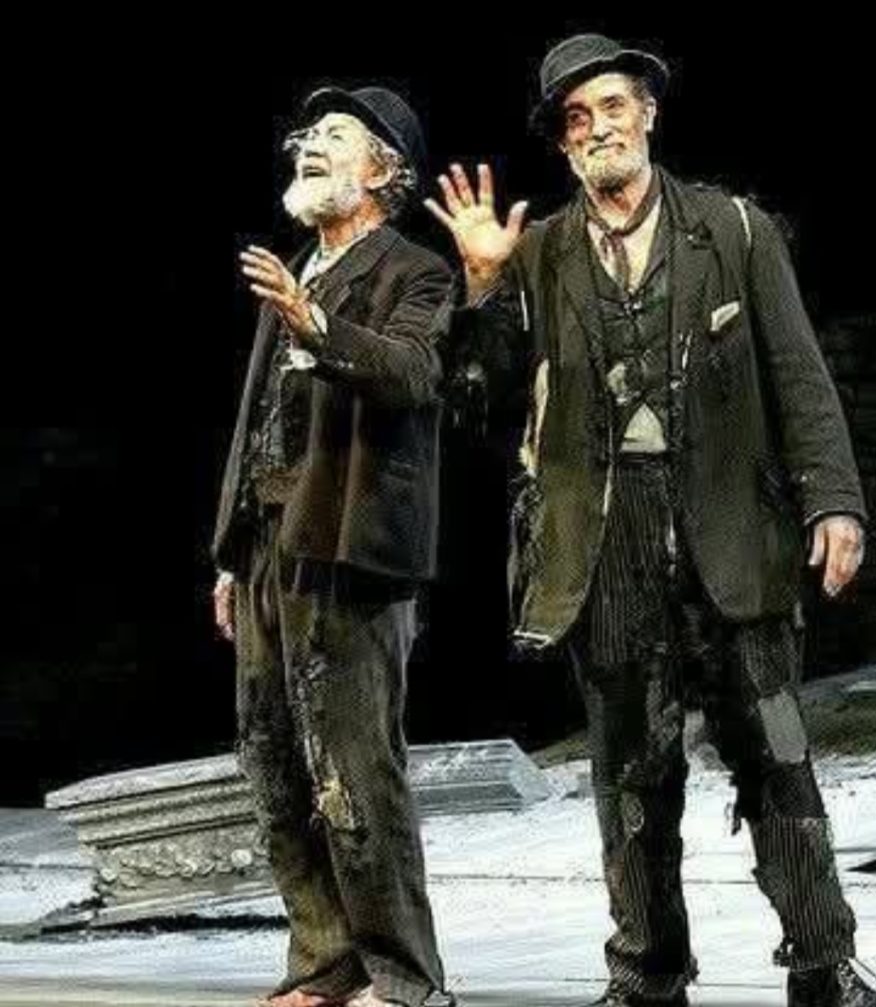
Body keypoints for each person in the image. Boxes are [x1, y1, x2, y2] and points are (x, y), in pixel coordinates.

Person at [427, 33, 876, 1007]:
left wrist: (834, 498)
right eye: (577, 118)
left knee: (777, 757)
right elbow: (477, 405)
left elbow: (797, 370)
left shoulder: (731, 227)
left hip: (731, 523)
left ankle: (823, 965)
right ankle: (646, 974)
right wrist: (481, 285)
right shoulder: (540, 254)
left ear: (648, 113)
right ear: (562, 143)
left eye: (613, 106)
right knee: (631, 777)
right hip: (607, 539)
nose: (599, 128)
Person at [212, 83, 454, 1007]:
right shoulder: (296, 267)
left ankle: (404, 976)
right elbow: (254, 421)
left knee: (355, 766)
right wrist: (229, 550)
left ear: (386, 171)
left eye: (338, 135)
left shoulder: (413, 271)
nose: (310, 144)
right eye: (308, 133)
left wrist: (316, 324)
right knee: (273, 759)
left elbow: (415, 373)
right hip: (269, 546)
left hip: (352, 546)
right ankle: (323, 963)